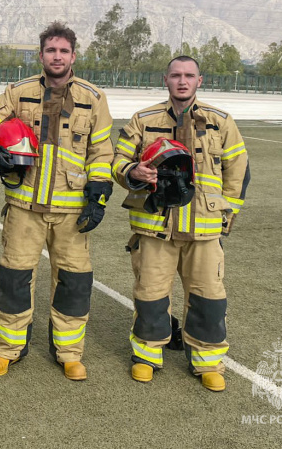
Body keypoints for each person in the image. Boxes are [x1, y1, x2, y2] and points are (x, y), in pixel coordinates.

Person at [0, 21, 114, 381]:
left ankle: (69, 353)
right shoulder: (18, 92)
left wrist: (99, 195)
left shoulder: (93, 98)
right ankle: (8, 349)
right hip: (23, 208)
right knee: (14, 280)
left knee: (74, 284)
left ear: (73, 56)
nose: (57, 56)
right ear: (41, 55)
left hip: (72, 213)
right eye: (51, 50)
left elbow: (101, 151)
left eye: (64, 51)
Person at [113, 55, 249, 391]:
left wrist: (224, 217)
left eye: (189, 75)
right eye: (176, 75)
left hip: (204, 231)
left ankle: (207, 362)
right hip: (155, 228)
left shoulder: (221, 121)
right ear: (166, 79)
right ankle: (147, 356)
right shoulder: (142, 120)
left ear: (199, 80)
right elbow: (118, 161)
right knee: (151, 295)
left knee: (208, 298)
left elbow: (238, 171)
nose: (182, 81)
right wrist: (133, 172)